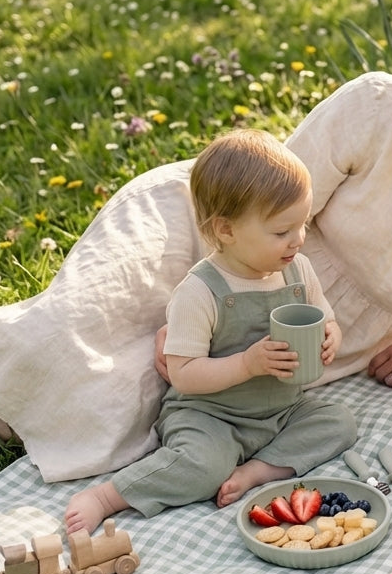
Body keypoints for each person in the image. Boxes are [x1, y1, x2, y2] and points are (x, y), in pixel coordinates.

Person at [0, 0, 392, 482]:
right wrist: (191, 309)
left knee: (143, 402)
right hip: (211, 227)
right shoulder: (377, 108)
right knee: (65, 333)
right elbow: (262, 199)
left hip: (308, 321)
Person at [64, 130, 357, 534]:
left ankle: (257, 470)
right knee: (202, 466)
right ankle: (109, 496)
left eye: (301, 225)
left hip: (282, 409)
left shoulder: (297, 270)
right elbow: (183, 374)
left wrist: (331, 338)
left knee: (338, 421)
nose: (298, 239)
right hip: (210, 414)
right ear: (226, 230)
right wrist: (247, 363)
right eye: (281, 232)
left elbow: (326, 319)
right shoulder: (200, 291)